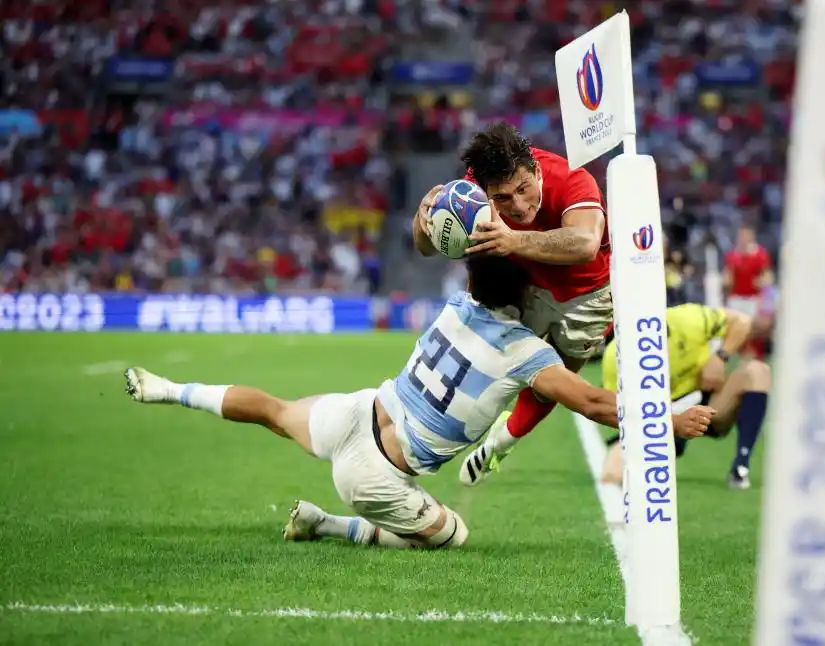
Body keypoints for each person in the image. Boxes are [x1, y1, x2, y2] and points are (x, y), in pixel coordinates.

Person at [124, 255, 714, 549]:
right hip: (376, 476)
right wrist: (671, 418)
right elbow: (593, 403)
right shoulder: (527, 354)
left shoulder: (457, 304)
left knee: (274, 410)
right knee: (452, 534)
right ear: (528, 293)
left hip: (359, 411)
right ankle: (326, 525)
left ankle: (169, 389)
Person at [411, 122, 612, 453]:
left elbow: (586, 243)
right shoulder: (472, 189)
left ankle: (505, 440)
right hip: (528, 285)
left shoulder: (572, 179)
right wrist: (423, 222)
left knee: (554, 386)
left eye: (523, 189)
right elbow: (425, 248)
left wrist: (514, 238)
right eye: (502, 197)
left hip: (587, 295)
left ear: (534, 169)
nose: (518, 206)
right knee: (501, 368)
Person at [600, 303, 771, 490]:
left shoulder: (688, 319)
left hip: (706, 403)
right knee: (611, 474)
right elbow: (618, 410)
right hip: (658, 419)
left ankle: (741, 465)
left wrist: (720, 357)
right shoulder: (615, 356)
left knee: (757, 371)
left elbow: (742, 322)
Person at [723, 225, 773, 359]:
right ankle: (740, 354)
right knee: (738, 328)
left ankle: (756, 355)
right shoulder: (732, 256)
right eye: (741, 236)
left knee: (753, 328)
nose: (743, 239)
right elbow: (728, 276)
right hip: (737, 298)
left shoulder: (760, 254)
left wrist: (764, 288)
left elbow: (767, 276)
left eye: (745, 236)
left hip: (753, 298)